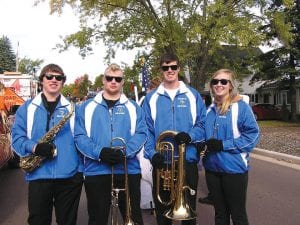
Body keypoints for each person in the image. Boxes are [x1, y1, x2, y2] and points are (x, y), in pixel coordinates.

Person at [74, 63, 147, 225]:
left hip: (128, 170)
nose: (113, 81)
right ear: (103, 80)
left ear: (122, 82)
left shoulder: (133, 107)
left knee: (133, 218)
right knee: (97, 219)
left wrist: (124, 152)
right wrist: (100, 152)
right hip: (96, 171)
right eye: (109, 78)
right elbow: (79, 137)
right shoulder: (86, 107)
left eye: (118, 78)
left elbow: (142, 133)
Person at [11, 64, 83, 225]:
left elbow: (81, 139)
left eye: (58, 77)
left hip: (69, 177)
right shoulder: (26, 108)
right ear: (41, 80)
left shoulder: (73, 109)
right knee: (38, 221)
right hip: (38, 175)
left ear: (63, 81)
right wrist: (34, 147)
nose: (54, 80)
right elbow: (16, 138)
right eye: (49, 76)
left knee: (68, 222)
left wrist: (80, 171)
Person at [142, 52, 206, 225]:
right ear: (161, 70)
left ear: (179, 68)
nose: (169, 70)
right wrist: (151, 153)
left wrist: (190, 136)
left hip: (187, 161)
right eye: (165, 67)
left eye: (173, 67)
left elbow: (202, 124)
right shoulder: (151, 98)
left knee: (188, 215)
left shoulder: (193, 95)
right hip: (162, 162)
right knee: (162, 214)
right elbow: (145, 130)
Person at [202, 69, 260, 225]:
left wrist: (223, 145)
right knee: (220, 214)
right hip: (212, 170)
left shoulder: (241, 107)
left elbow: (252, 136)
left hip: (234, 170)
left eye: (223, 81)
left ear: (230, 86)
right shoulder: (209, 110)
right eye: (215, 81)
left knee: (238, 215)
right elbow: (202, 134)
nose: (219, 84)